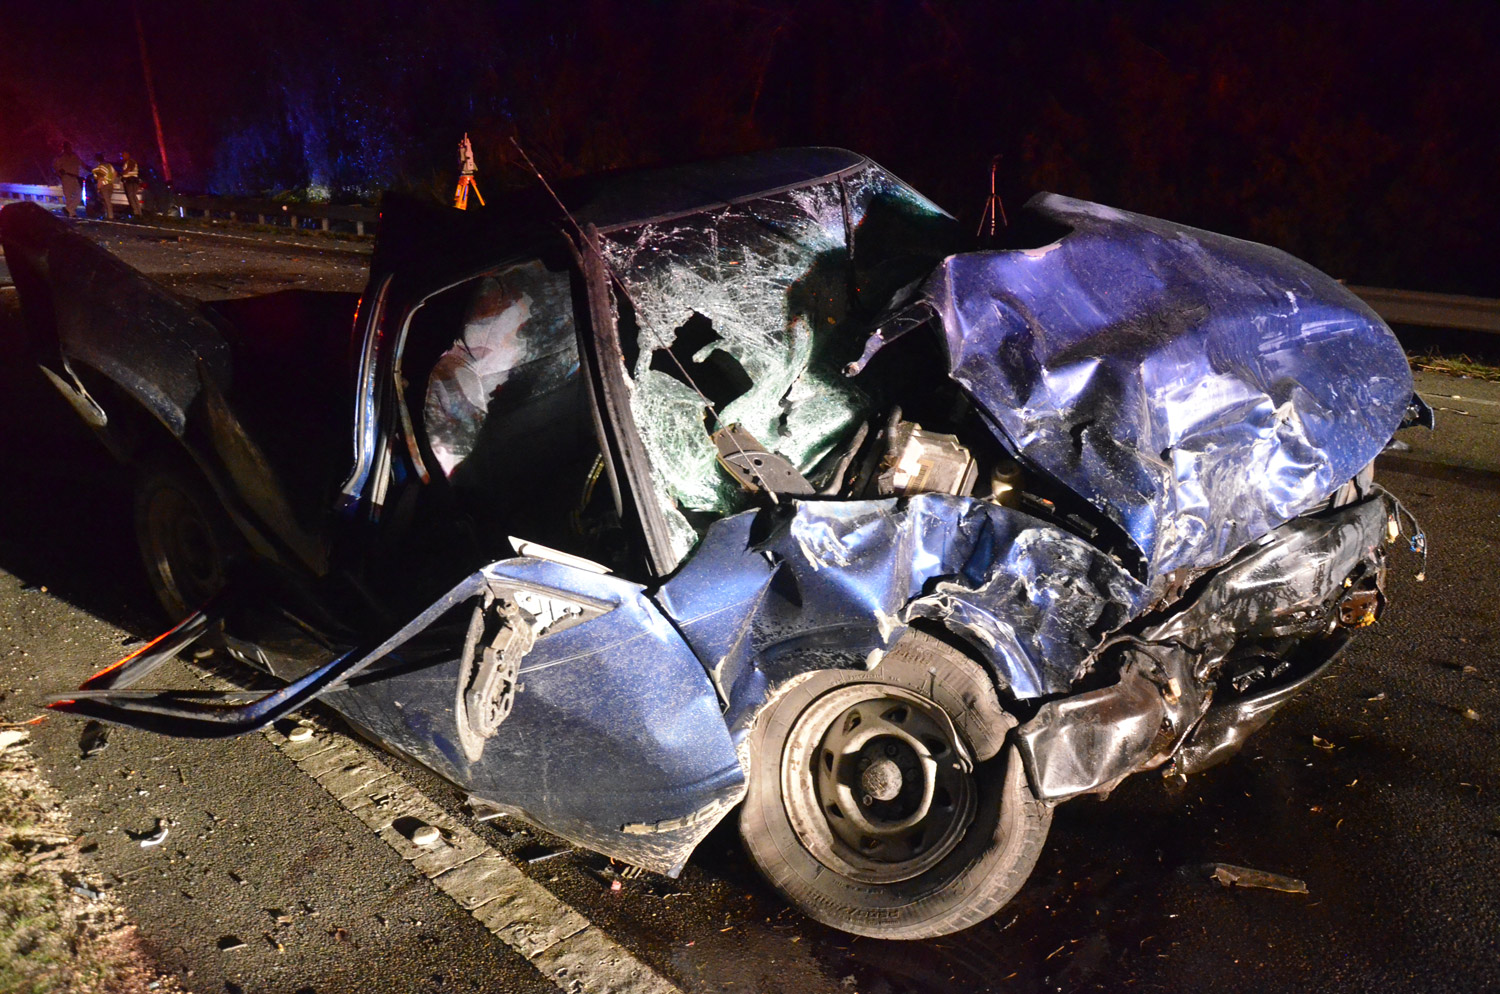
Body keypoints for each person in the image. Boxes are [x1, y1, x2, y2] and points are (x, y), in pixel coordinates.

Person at [52, 142, 85, 218]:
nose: (69, 149)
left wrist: (90, 169)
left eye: (70, 147)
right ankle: (72, 214)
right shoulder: (61, 157)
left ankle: (68, 209)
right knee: (68, 196)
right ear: (64, 148)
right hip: (66, 177)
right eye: (67, 147)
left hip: (75, 177)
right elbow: (55, 167)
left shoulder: (74, 156)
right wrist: (60, 173)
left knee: (79, 195)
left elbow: (82, 164)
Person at [90, 154, 118, 220]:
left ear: (97, 160)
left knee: (106, 201)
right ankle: (107, 215)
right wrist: (111, 181)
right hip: (110, 185)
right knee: (107, 201)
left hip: (104, 186)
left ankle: (110, 216)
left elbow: (100, 178)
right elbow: (115, 173)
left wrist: (98, 188)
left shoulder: (100, 167)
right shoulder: (109, 165)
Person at [120, 152, 144, 217]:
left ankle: (137, 213)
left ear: (128, 155)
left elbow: (129, 169)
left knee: (131, 197)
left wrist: (122, 174)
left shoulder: (130, 161)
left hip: (131, 181)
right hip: (132, 181)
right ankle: (138, 213)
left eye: (123, 155)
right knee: (133, 196)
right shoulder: (128, 162)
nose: (122, 156)